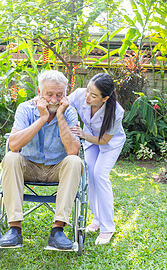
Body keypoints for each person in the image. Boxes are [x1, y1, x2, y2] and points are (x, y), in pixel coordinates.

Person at [0, 70, 84, 250]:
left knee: (75, 161)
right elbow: (14, 145)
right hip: (28, 165)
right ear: (39, 92)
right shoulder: (25, 108)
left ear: (65, 94)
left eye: (59, 95)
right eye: (49, 94)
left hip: (57, 169)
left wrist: (59, 115)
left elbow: (72, 150)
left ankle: (57, 230)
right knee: (11, 157)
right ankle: (14, 229)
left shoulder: (69, 112)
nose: (54, 100)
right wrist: (43, 117)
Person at [68, 73, 126, 245]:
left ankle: (108, 228)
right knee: (90, 177)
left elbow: (104, 140)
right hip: (89, 140)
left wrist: (83, 134)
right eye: (88, 91)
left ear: (105, 98)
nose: (87, 97)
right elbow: (63, 105)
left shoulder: (116, 112)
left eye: (93, 96)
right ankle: (97, 220)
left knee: (100, 176)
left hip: (109, 144)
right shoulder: (79, 94)